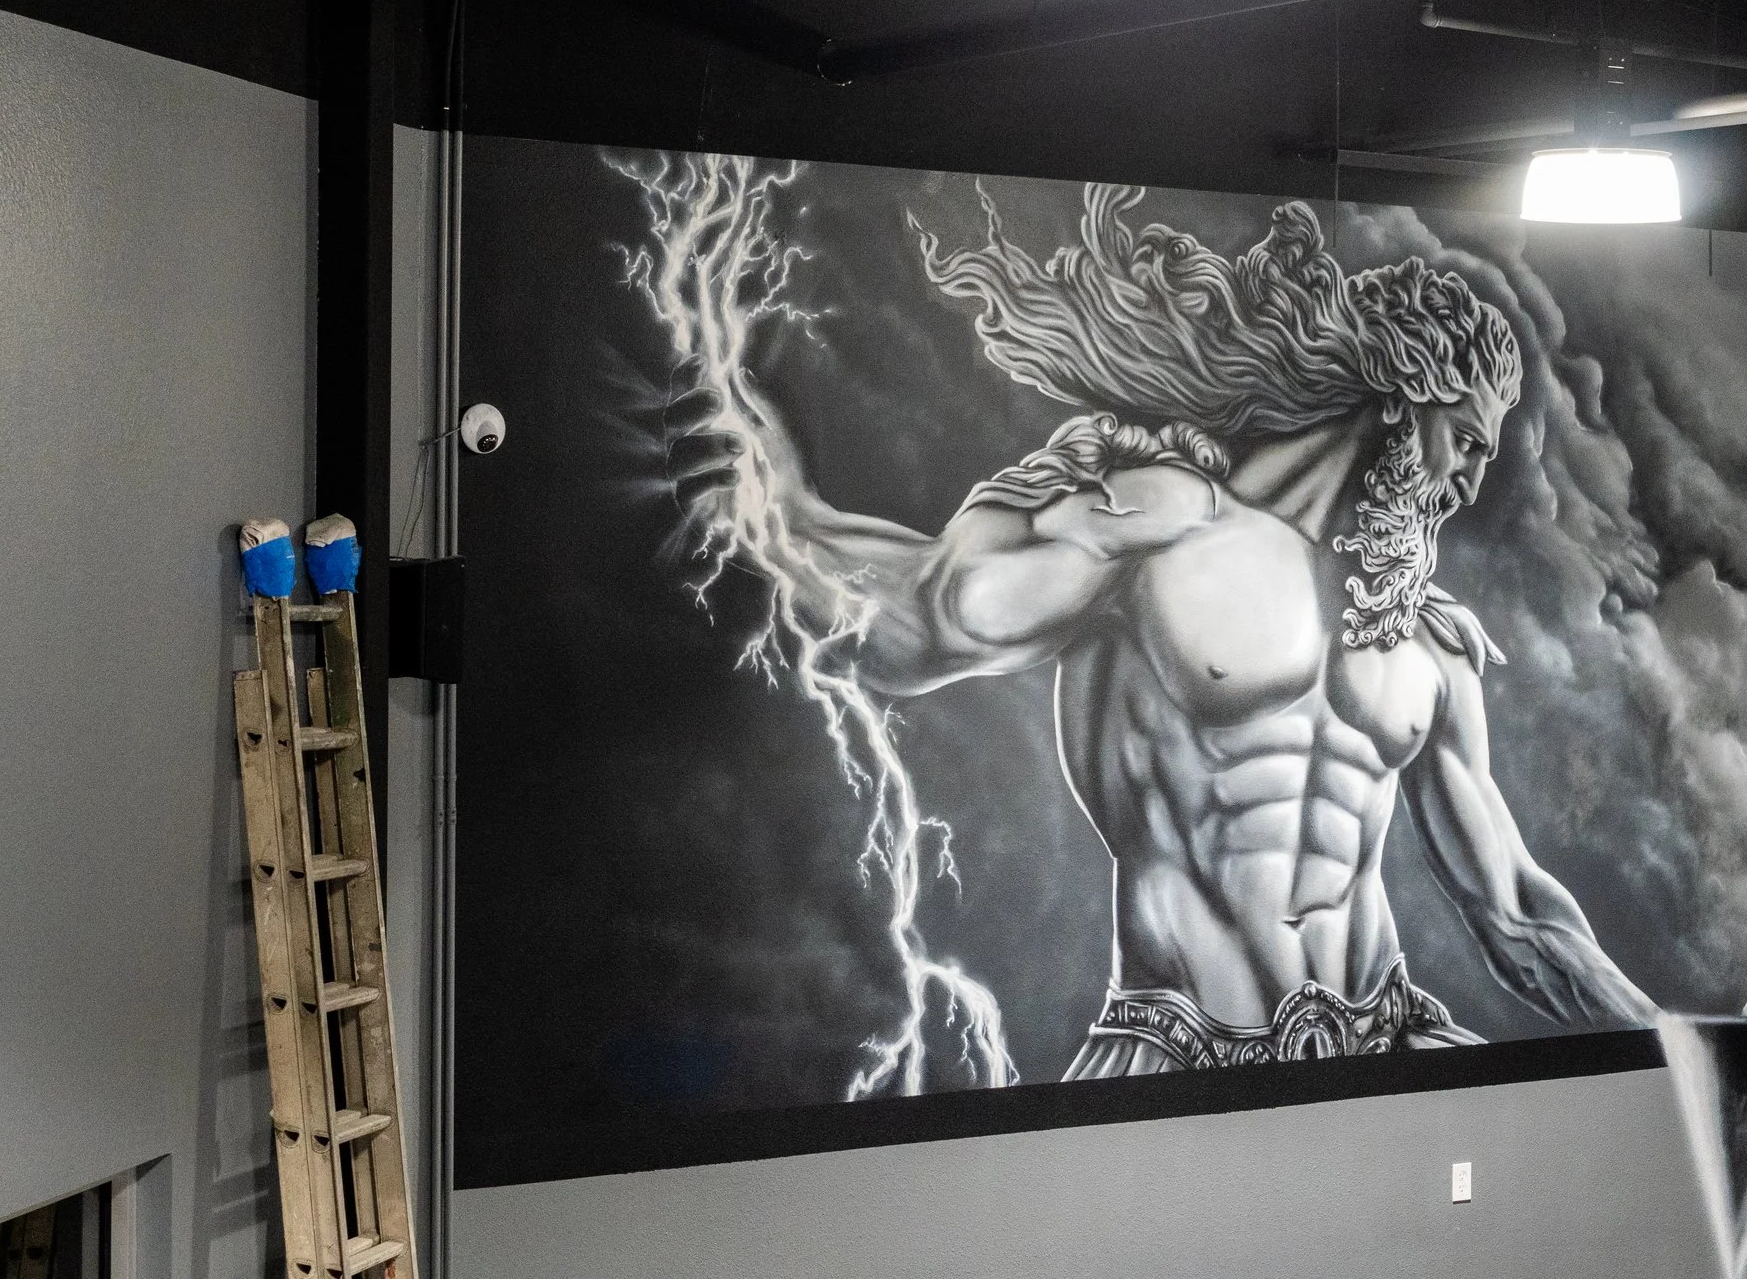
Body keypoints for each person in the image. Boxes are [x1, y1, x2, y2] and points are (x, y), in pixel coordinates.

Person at [670, 184, 1654, 1076]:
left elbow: (1516, 912)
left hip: (1387, 1039)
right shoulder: (1168, 528)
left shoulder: (1426, 642)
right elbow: (933, 624)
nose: (1468, 484)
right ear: (1403, 401)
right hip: (1184, 1056)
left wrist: (1686, 1049)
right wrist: (778, 519)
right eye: (1465, 442)